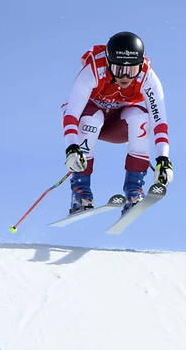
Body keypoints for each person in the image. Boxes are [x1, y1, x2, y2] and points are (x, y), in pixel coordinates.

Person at [61, 31, 173, 214]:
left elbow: (159, 120)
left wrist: (163, 159)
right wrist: (72, 147)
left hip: (117, 126)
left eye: (132, 70)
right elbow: (72, 113)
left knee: (141, 117)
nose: (126, 77)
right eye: (119, 69)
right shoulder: (94, 70)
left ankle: (134, 191)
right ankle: (81, 193)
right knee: (93, 118)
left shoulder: (147, 77)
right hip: (86, 120)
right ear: (108, 63)